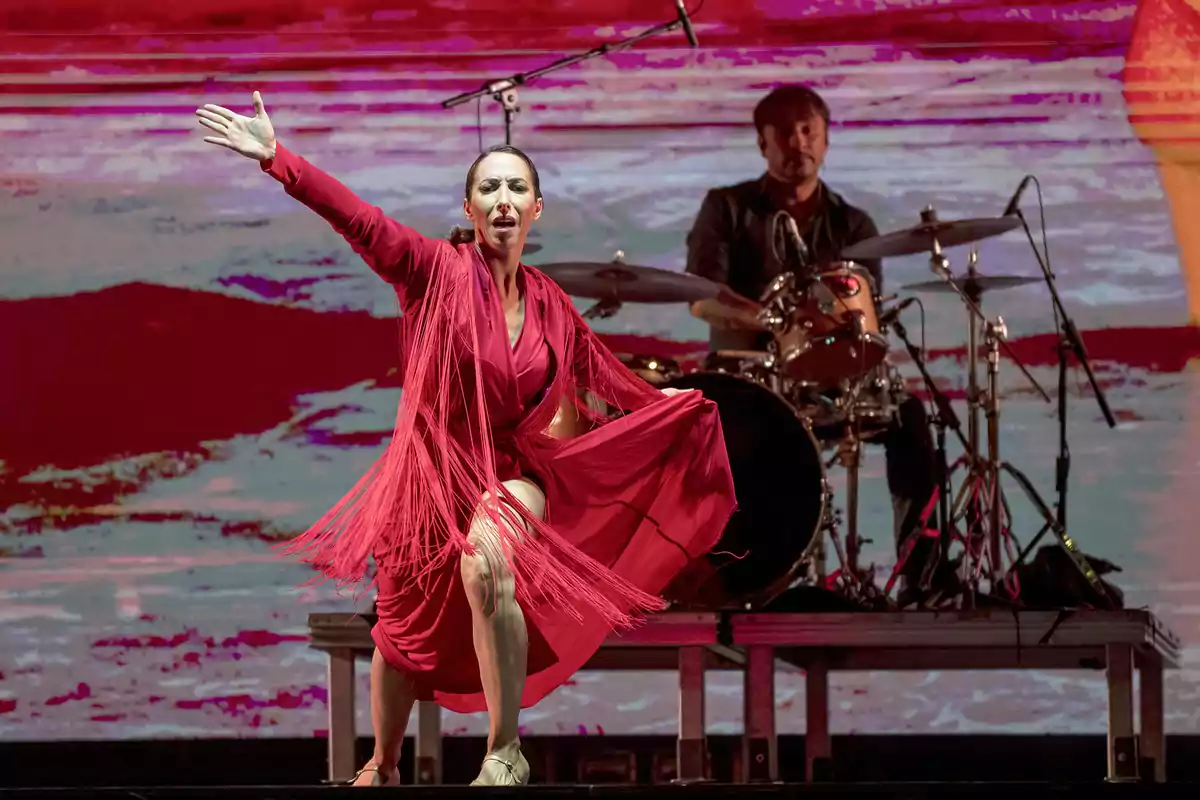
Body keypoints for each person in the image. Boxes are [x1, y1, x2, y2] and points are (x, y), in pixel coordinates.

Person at [195, 92, 736, 786]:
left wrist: (662, 407)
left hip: (513, 472)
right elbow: (360, 221)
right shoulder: (432, 271)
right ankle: (384, 764)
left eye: (517, 187)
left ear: (536, 209)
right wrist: (278, 158)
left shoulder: (550, 302)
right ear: (470, 207)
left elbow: (602, 381)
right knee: (400, 635)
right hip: (429, 474)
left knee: (487, 562)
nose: (503, 198)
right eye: (490, 187)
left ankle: (503, 750)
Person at [684, 83, 939, 602]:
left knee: (910, 418)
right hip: (747, 381)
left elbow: (865, 316)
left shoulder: (854, 225)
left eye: (809, 131)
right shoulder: (727, 208)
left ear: (825, 140)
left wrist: (836, 336)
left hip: (831, 381)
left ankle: (924, 576)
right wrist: (774, 321)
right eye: (785, 133)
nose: (798, 142)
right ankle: (738, 578)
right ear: (763, 144)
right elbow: (700, 298)